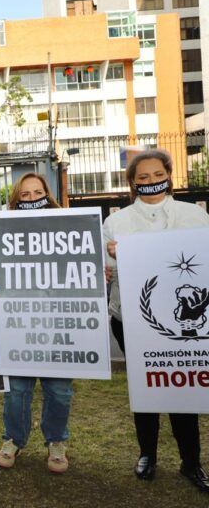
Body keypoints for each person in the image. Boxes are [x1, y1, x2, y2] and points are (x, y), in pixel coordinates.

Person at [103, 150, 209, 493]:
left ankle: (191, 461)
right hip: (131, 318)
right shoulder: (115, 223)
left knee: (182, 384)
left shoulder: (195, 216)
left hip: (185, 324)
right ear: (132, 182)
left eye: (156, 174)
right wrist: (110, 264)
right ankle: (147, 453)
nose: (149, 181)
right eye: (142, 177)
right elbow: (104, 272)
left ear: (169, 174)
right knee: (145, 384)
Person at [0, 173, 73, 474]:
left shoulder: (67, 230)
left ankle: (56, 442)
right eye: (25, 195)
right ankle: (13, 439)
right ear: (16, 200)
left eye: (37, 193)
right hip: (18, 321)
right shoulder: (4, 234)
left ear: (47, 196)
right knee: (17, 390)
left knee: (59, 390)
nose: (32, 198)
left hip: (58, 321)